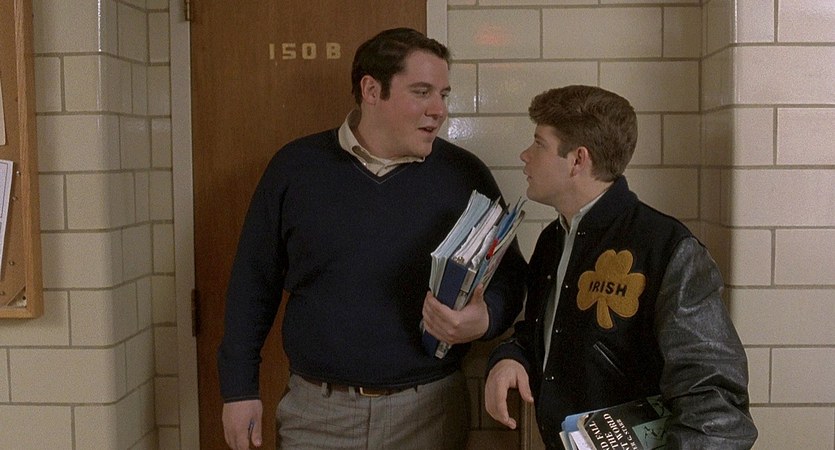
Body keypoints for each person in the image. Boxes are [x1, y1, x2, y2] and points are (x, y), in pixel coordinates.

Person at [218, 27, 526, 450]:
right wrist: (239, 389)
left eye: (443, 95)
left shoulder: (464, 175)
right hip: (318, 416)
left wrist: (485, 318)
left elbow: (511, 277)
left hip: (429, 412)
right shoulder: (295, 168)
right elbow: (252, 285)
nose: (438, 110)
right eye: (421, 92)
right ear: (371, 90)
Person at [484, 85, 758, 449]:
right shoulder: (552, 240)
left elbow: (716, 407)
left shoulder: (667, 249)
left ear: (578, 160)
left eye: (539, 144)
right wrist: (510, 357)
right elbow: (544, 334)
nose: (525, 155)